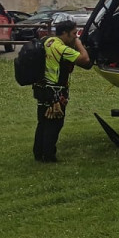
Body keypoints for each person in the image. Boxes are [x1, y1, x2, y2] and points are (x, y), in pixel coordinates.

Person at [33, 19, 91, 163]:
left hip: (41, 88)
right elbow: (85, 59)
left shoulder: (47, 41)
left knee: (43, 122)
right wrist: (78, 43)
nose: (75, 36)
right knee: (54, 123)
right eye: (73, 33)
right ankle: (49, 156)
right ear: (64, 33)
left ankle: (38, 153)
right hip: (55, 91)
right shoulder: (60, 48)